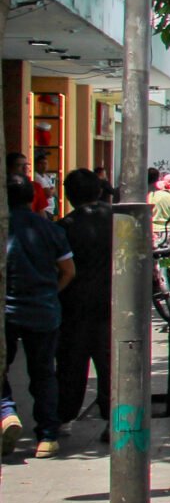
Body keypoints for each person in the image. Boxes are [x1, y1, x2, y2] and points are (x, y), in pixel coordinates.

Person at [4, 172, 75, 458]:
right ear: (33, 197)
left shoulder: (4, 226)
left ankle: (7, 412)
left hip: (7, 311)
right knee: (44, 373)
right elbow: (69, 271)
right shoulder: (50, 229)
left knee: (2, 368)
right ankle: (47, 436)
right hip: (44, 309)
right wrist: (51, 292)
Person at [57, 170, 115, 436]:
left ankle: (65, 417)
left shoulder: (64, 226)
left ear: (69, 195)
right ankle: (112, 418)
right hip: (112, 301)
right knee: (109, 363)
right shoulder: (118, 220)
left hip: (74, 304)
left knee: (71, 362)